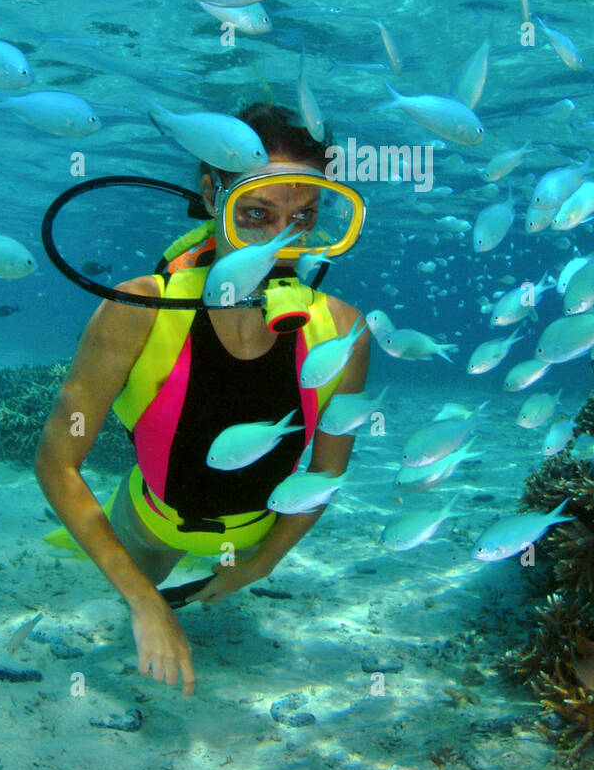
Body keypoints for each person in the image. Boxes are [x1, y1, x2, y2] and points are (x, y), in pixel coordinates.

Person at [35, 104, 369, 697]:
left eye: (305, 217)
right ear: (211, 190)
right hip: (149, 523)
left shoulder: (343, 330)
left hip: (255, 537)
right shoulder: (138, 307)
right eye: (257, 214)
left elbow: (326, 473)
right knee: (132, 619)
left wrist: (262, 564)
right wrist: (144, 603)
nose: (281, 241)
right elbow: (56, 462)